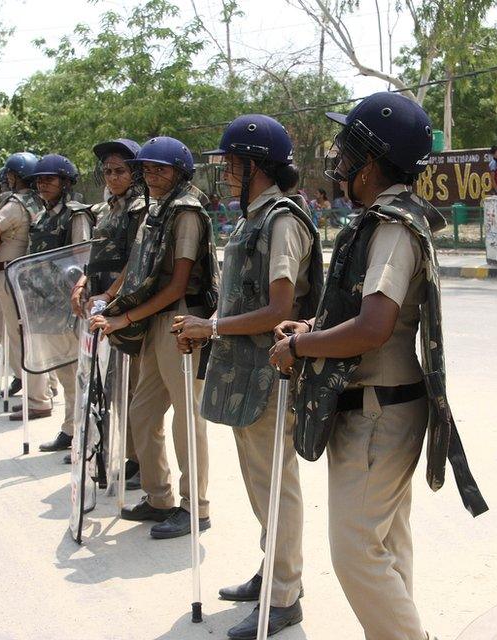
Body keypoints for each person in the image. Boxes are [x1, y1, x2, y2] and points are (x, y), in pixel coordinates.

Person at [266, 92, 486, 640]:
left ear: (371, 162)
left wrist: (299, 349)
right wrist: (311, 330)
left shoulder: (391, 227)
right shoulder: (382, 220)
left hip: (377, 414)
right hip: (378, 407)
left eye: (348, 153)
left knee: (355, 553)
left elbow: (373, 328)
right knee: (386, 544)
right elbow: (359, 317)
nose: (339, 165)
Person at [172, 114, 324, 639]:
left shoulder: (280, 220)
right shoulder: (254, 216)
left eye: (233, 163)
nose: (228, 173)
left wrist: (209, 326)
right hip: (246, 375)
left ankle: (285, 597)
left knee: (275, 484)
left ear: (255, 165)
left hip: (270, 375)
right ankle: (274, 572)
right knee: (261, 483)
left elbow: (279, 308)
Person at [88, 137, 218, 542]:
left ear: (180, 171)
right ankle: (159, 497)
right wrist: (108, 296)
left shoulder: (186, 213)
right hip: (153, 320)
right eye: (147, 168)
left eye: (161, 168)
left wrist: (122, 316)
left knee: (187, 418)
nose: (152, 174)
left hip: (181, 320)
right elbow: (137, 259)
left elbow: (176, 282)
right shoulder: (154, 209)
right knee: (142, 413)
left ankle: (194, 507)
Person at [70, 138, 147, 481]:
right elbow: (95, 256)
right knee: (110, 388)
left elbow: (136, 261)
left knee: (131, 390)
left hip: (125, 308)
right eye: (107, 171)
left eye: (120, 171)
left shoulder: (141, 208)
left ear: (135, 173)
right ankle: (124, 454)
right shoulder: (105, 210)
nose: (113, 177)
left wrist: (108, 295)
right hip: (101, 306)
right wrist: (84, 284)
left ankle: (139, 461)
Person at [13, 154, 94, 449]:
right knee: (64, 372)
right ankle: (70, 429)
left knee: (76, 373)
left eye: (50, 179)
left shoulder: (75, 215)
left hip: (69, 305)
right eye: (39, 180)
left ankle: (79, 433)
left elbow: (84, 257)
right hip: (46, 305)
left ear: (65, 182)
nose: (43, 184)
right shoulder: (42, 215)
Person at [0, 152, 46, 412]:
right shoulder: (39, 201)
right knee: (20, 331)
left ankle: (33, 389)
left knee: (18, 334)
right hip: (27, 274)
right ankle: (40, 383)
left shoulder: (15, 204)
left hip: (11, 274)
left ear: (14, 176)